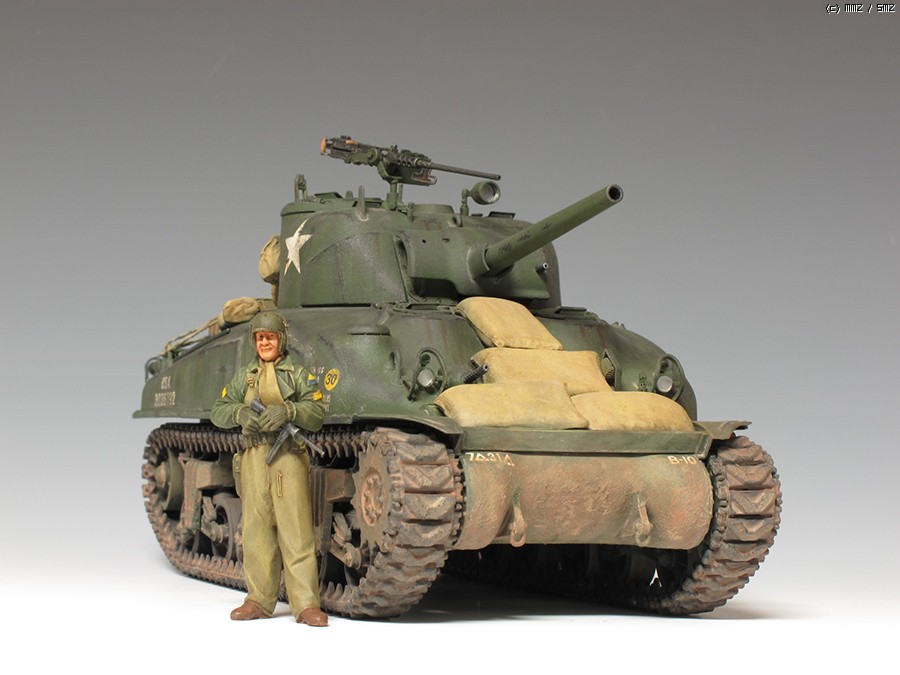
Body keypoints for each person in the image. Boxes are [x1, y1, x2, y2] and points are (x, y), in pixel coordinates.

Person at [210, 310, 328, 626]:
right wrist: (239, 413)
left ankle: (305, 603)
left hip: (288, 455)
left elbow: (317, 412)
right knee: (256, 528)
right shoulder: (245, 376)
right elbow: (218, 410)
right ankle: (259, 599)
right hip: (253, 455)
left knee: (296, 528)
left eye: (270, 337)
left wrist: (290, 410)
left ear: (281, 340)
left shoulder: (297, 374)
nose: (264, 343)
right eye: (260, 338)